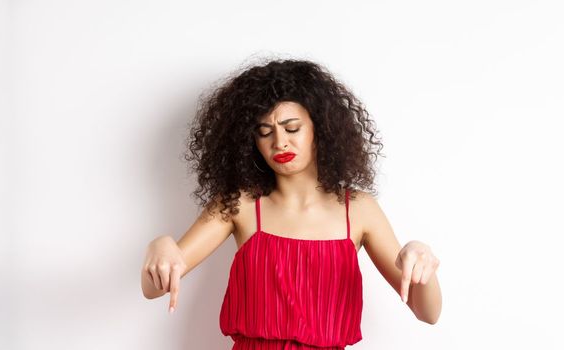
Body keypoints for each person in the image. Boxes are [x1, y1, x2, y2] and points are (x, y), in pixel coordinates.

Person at [141, 58, 442, 349]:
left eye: (292, 128)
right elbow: (154, 288)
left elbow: (428, 313)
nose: (279, 142)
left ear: (319, 129)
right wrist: (159, 245)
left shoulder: (359, 210)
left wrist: (421, 257)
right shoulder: (240, 205)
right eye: (264, 132)